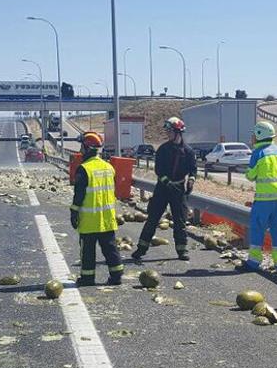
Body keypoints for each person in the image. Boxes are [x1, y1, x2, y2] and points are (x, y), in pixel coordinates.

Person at [132, 116, 196, 262]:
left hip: (179, 190)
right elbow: (159, 170)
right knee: (153, 218)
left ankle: (182, 250)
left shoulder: (189, 152)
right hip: (163, 189)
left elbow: (193, 169)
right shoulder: (163, 149)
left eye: (170, 132)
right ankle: (141, 248)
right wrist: (167, 182)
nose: (167, 134)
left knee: (180, 221)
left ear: (178, 132)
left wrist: (191, 180)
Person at [70, 131, 123, 287]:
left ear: (87, 148)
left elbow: (79, 195)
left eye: (82, 147)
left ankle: (87, 278)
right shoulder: (109, 168)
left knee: (88, 251)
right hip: (107, 217)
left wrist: (74, 212)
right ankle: (116, 275)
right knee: (110, 248)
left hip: (90, 220)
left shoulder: (84, 169)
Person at [241, 120, 277, 273]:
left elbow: (251, 175)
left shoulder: (258, 153)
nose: (252, 137)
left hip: (264, 200)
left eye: (254, 134)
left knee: (257, 229)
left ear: (259, 135)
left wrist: (248, 172)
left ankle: (254, 262)